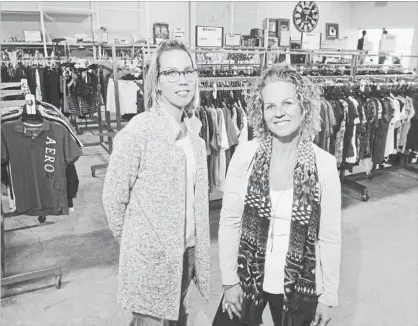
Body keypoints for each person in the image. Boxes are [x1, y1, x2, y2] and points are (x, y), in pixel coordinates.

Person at [215, 64, 342, 326]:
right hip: (248, 276)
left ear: (303, 106)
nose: (279, 113)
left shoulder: (324, 164)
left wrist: (328, 296)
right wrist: (229, 279)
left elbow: (329, 238)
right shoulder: (245, 155)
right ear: (261, 112)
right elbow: (229, 221)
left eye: (287, 103)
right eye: (270, 106)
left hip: (300, 285)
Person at [102, 39, 210, 326]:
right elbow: (113, 197)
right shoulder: (141, 130)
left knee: (178, 318)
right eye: (172, 73)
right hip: (150, 260)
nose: (183, 80)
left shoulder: (194, 135)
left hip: (186, 253)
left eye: (188, 71)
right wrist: (136, 245)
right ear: (157, 82)